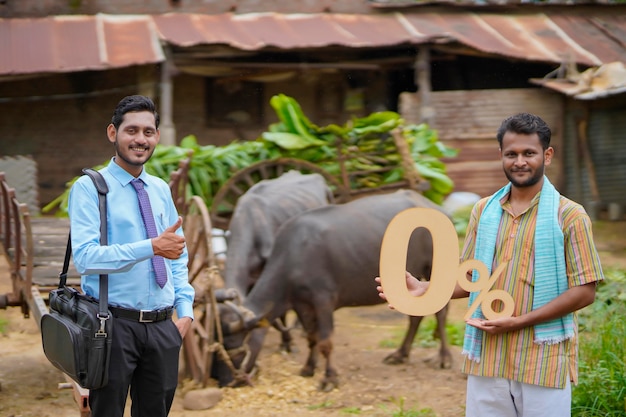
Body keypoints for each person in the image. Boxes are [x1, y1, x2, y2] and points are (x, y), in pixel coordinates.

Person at [376, 112, 604, 417]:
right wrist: (427, 289)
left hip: (543, 359)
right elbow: (470, 276)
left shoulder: (569, 216)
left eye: (529, 153)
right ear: (501, 155)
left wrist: (519, 322)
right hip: (488, 357)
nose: (519, 161)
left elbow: (585, 291)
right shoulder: (483, 211)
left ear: (547, 155)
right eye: (511, 154)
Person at [68, 95, 195, 417]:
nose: (140, 139)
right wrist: (151, 247)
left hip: (164, 326)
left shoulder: (160, 189)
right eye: (132, 130)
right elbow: (86, 258)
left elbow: (177, 254)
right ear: (113, 133)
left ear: (156, 137)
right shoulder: (89, 187)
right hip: (112, 324)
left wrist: (186, 310)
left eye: (148, 132)